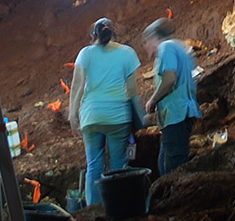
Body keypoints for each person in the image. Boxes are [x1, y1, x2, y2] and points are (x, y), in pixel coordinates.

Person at [68, 18, 140, 209]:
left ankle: (93, 210)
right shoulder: (127, 53)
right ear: (114, 33)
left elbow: (77, 86)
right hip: (118, 116)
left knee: (94, 166)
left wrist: (72, 114)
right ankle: (118, 208)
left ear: (93, 35)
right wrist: (138, 117)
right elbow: (132, 91)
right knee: (118, 164)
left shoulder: (85, 53)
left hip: (91, 116)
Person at [143, 18, 202, 175]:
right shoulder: (179, 46)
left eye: (146, 41)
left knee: (173, 170)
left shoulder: (166, 47)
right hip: (179, 114)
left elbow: (170, 78)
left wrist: (153, 100)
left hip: (177, 115)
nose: (146, 46)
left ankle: (177, 198)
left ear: (153, 37)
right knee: (164, 164)